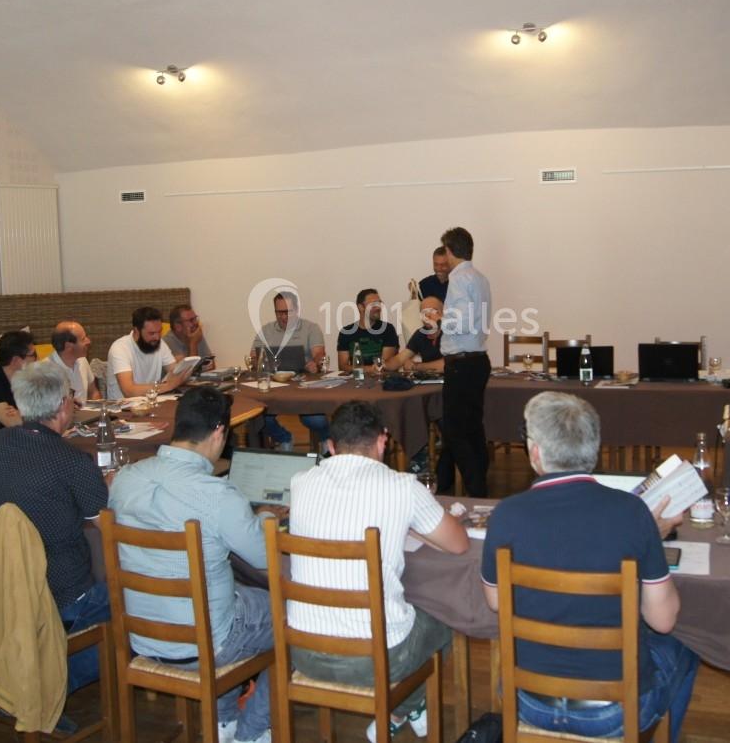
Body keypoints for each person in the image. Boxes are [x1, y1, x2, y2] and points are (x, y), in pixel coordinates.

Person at [480, 392, 697, 740]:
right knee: (686, 647)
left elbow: (495, 601)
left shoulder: (507, 514)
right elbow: (663, 620)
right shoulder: (631, 512)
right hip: (613, 711)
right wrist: (651, 539)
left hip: (528, 700)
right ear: (592, 448)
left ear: (535, 453)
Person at [288, 401, 469, 743]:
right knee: (446, 616)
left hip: (304, 653)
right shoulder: (402, 486)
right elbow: (458, 544)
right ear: (383, 441)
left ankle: (406, 708)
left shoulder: (300, 482)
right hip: (375, 659)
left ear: (330, 447)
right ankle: (403, 707)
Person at [108, 387, 278, 743]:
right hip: (206, 645)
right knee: (296, 615)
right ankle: (252, 731)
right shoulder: (217, 495)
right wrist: (265, 517)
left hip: (142, 636)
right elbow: (265, 557)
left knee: (230, 599)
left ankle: (225, 720)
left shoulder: (126, 479)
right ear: (219, 433)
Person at [0, 359, 109, 695]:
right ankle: (52, 682)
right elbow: (108, 528)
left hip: (10, 583)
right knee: (136, 601)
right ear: (62, 406)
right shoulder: (72, 461)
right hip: (64, 591)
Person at [435, 226, 493, 496]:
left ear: (449, 251)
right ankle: (449, 484)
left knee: (457, 433)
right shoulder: (480, 278)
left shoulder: (459, 278)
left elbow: (462, 322)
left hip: (461, 363)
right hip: (478, 360)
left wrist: (437, 319)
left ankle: (476, 490)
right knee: (471, 429)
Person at [252, 291, 328, 451]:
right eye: (280, 312)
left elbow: (319, 354)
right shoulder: (265, 331)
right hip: (273, 387)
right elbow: (254, 358)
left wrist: (315, 363)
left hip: (304, 387)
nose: (284, 317)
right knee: (258, 416)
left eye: (288, 312)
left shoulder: (311, 328)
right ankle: (283, 438)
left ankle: (326, 441)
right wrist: (258, 363)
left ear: (297, 310)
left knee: (317, 421)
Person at [106, 306, 189, 401]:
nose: (157, 337)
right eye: (152, 333)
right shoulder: (120, 348)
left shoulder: (160, 344)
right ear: (136, 331)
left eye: (159, 332)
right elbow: (129, 391)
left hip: (152, 404)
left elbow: (175, 372)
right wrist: (168, 385)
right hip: (122, 410)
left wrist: (186, 367)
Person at [0, 329, 36, 427]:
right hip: (4, 439)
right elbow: (13, 423)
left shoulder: (29, 379)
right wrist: (29, 416)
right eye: (32, 355)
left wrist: (23, 415)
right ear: (16, 360)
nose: (36, 359)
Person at [337, 288, 400, 371]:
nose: (378, 307)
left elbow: (385, 365)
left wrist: (359, 369)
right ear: (361, 307)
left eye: (379, 303)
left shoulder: (388, 329)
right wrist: (369, 369)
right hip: (356, 380)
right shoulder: (346, 332)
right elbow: (343, 366)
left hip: (381, 380)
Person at [387, 296, 445, 373]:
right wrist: (381, 365)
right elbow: (399, 359)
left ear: (442, 313)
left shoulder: (451, 332)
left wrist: (416, 366)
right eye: (424, 312)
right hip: (431, 381)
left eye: (433, 311)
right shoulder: (421, 334)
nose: (428, 315)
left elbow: (447, 365)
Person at [48, 320, 101, 403]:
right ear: (69, 346)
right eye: (83, 339)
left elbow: (93, 392)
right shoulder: (45, 371)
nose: (88, 341)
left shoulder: (82, 360)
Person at [164, 304, 214, 370]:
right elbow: (186, 373)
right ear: (178, 326)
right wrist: (193, 343)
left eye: (195, 318)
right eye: (191, 320)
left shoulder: (196, 333)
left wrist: (207, 366)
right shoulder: (166, 343)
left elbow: (212, 366)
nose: (196, 323)